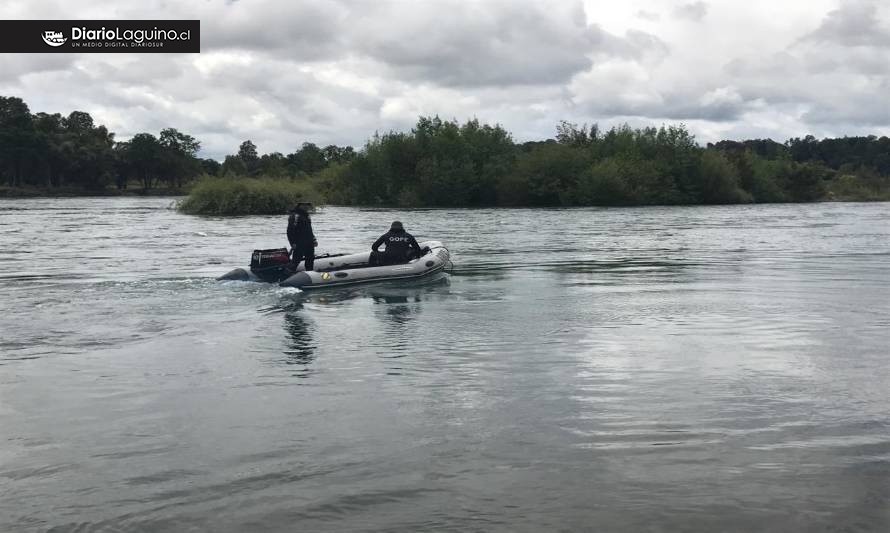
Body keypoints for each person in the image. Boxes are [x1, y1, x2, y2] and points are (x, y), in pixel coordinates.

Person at [287, 204, 317, 271]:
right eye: (304, 205)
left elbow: (309, 230)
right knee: (296, 260)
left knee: (310, 260)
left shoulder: (307, 216)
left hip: (309, 242)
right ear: (299, 206)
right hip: (299, 243)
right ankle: (287, 274)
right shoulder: (295, 216)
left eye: (307, 205)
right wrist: (292, 243)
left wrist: (314, 240)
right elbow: (290, 231)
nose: (306, 206)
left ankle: (310, 273)